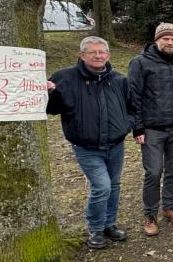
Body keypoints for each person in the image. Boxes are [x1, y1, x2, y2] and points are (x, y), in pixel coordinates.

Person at [46, 36, 135, 249]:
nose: (98, 56)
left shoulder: (118, 79)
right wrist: (50, 93)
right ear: (82, 55)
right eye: (92, 52)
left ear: (108, 55)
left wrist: (127, 125)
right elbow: (52, 109)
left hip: (115, 144)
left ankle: (109, 224)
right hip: (87, 146)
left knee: (114, 185)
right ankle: (95, 229)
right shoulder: (64, 78)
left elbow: (131, 107)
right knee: (101, 186)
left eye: (101, 52)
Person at [128, 22, 173, 236]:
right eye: (165, 38)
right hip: (151, 129)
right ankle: (149, 214)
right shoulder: (140, 63)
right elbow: (133, 97)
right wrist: (137, 128)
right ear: (157, 40)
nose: (170, 42)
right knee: (154, 172)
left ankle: (169, 207)